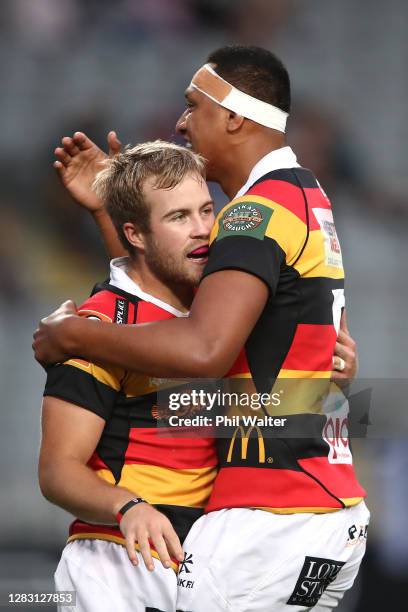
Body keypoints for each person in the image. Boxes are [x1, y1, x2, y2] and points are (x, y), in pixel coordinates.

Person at [34, 45, 367, 611]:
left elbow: (201, 347)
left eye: (193, 105)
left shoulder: (254, 212)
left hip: (272, 517)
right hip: (170, 547)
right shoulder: (307, 196)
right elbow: (160, 303)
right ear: (138, 231)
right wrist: (112, 214)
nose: (182, 121)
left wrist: (71, 337)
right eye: (178, 215)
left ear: (234, 116)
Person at [39, 141, 218, 612]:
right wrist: (127, 506)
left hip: (201, 562)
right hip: (119, 563)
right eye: (179, 217)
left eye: (206, 210)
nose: (202, 230)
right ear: (136, 234)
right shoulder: (94, 329)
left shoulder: (216, 312)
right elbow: (57, 470)